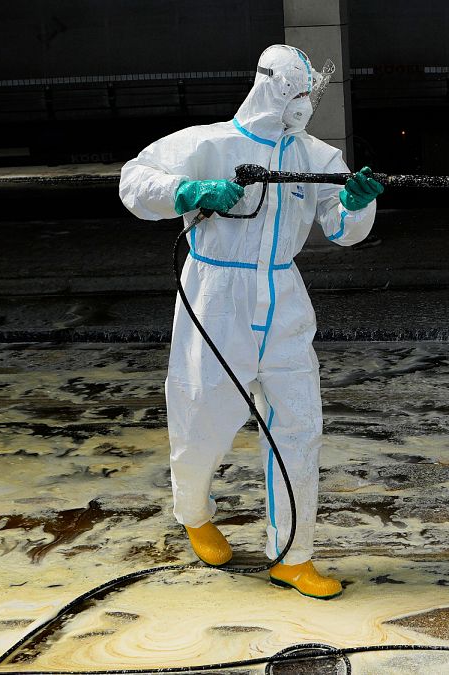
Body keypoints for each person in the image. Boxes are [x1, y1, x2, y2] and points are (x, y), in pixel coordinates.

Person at [118, 45, 383, 599]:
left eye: (308, 95)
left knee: (299, 427)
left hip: (283, 297)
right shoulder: (207, 143)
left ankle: (293, 555)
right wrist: (185, 191)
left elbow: (342, 231)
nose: (303, 105)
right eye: (295, 93)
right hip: (216, 296)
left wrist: (356, 203)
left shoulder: (318, 157)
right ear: (270, 88)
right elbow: (134, 180)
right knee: (201, 418)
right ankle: (193, 514)